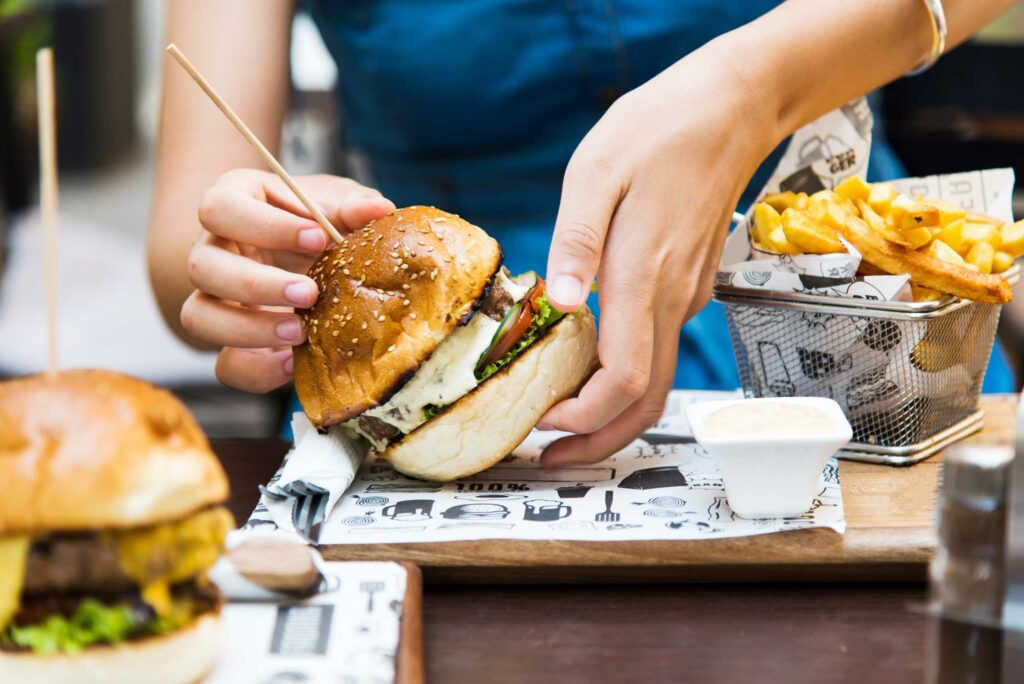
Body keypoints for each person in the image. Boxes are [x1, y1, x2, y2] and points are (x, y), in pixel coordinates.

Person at [149, 0, 1016, 466]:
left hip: (841, 301)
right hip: (433, 342)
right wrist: (253, 259)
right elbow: (179, 245)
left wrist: (756, 88)